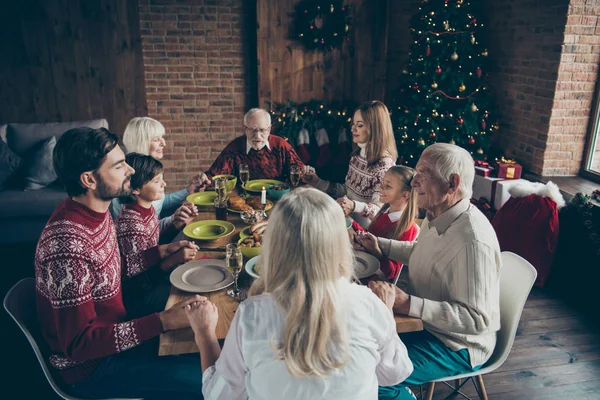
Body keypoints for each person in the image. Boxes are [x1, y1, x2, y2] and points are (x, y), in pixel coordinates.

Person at [185, 187, 415, 400]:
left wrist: (204, 335)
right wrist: (385, 312)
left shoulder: (252, 314)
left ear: (275, 245)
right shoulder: (368, 303)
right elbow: (395, 374)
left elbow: (219, 396)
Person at [35, 127, 205, 399]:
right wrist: (163, 321)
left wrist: (161, 251)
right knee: (208, 380)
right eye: (119, 165)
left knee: (209, 350)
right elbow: (79, 345)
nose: (129, 170)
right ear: (89, 179)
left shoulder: (96, 212)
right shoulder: (66, 244)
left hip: (120, 329)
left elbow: (110, 271)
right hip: (94, 367)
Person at [355, 143, 501, 399]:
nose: (414, 182)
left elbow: (478, 320)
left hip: (456, 345)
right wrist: (381, 245)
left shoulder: (473, 241)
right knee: (355, 348)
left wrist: (408, 303)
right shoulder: (441, 215)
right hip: (425, 326)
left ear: (452, 183)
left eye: (423, 174)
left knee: (376, 377)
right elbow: (420, 252)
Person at [116, 153, 200, 318]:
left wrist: (177, 224)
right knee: (194, 296)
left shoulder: (146, 210)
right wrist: (173, 259)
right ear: (135, 189)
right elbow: (139, 284)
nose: (164, 184)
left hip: (154, 281)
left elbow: (153, 246)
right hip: (140, 299)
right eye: (156, 181)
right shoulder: (132, 225)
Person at [304, 100, 397, 228]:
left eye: (359, 125)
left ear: (374, 129)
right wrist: (317, 182)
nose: (352, 129)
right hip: (347, 222)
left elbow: (379, 211)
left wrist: (353, 206)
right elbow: (346, 191)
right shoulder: (357, 156)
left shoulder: (384, 166)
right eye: (353, 124)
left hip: (366, 232)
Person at [111, 116, 210, 222]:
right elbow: (141, 230)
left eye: (162, 137)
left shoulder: (150, 169)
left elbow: (159, 202)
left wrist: (188, 191)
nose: (163, 143)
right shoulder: (128, 178)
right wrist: (174, 219)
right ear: (140, 143)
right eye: (156, 139)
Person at [350, 166, 420, 282]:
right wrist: (351, 222)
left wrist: (376, 251)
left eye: (387, 186)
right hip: (360, 264)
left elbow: (392, 272)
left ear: (405, 195)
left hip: (371, 280)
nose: (380, 188)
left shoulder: (408, 229)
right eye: (382, 183)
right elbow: (370, 235)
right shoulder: (384, 212)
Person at [206, 108, 306, 181]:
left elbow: (299, 172)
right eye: (252, 130)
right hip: (243, 200)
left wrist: (306, 172)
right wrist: (205, 179)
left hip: (277, 197)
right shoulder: (234, 147)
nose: (257, 136)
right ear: (245, 129)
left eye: (262, 130)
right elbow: (216, 175)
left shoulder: (281, 145)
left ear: (269, 129)